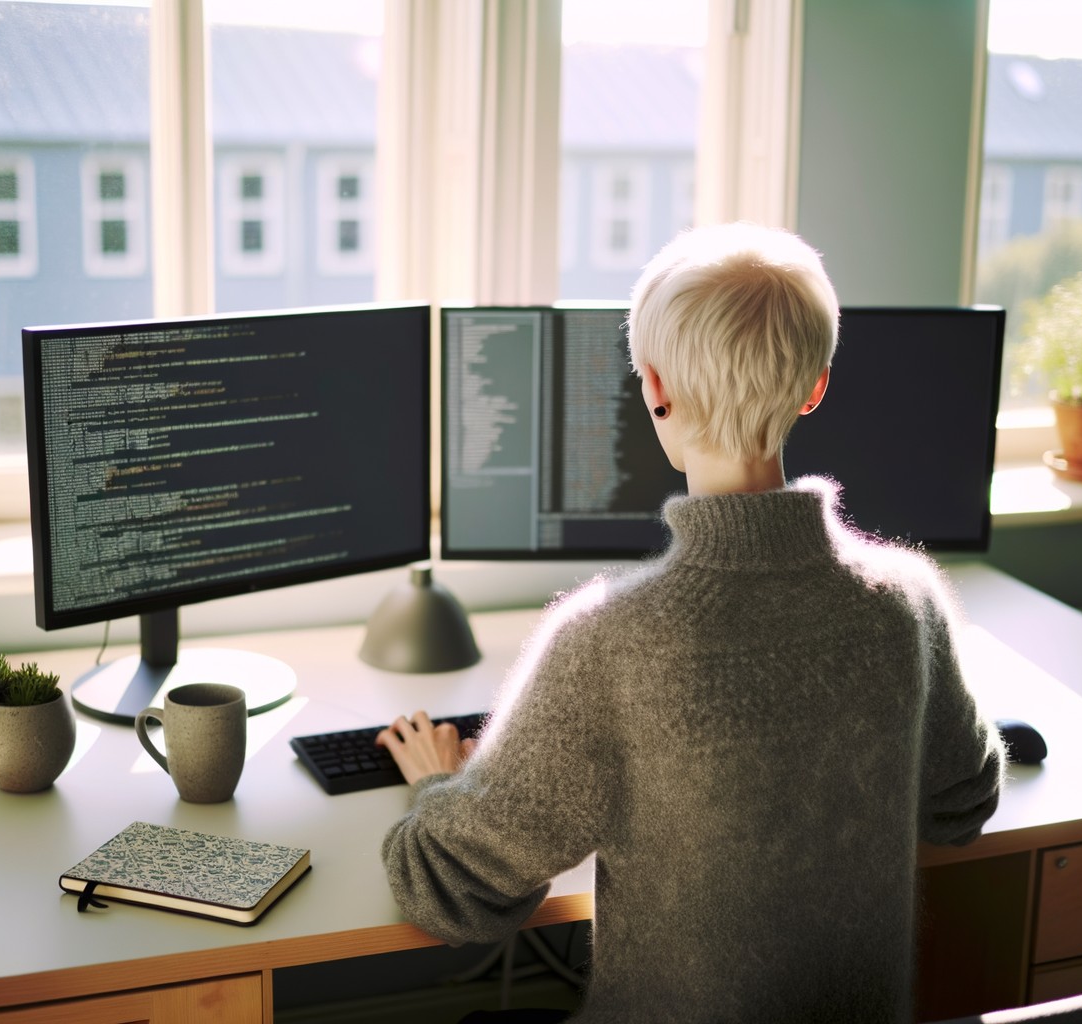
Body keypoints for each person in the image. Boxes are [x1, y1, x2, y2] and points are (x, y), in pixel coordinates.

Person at [378, 223, 1004, 1023]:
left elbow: (453, 889)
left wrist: (437, 785)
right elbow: (960, 806)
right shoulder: (908, 600)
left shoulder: (613, 638)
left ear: (654, 387)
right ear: (815, 388)